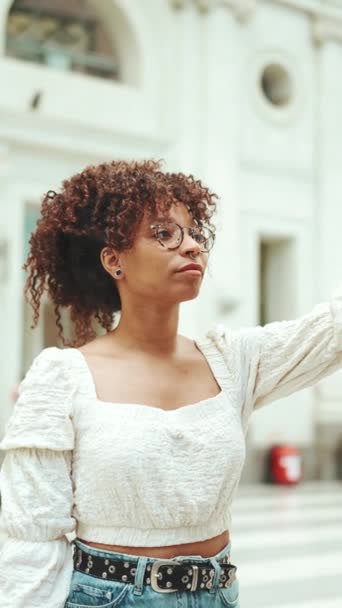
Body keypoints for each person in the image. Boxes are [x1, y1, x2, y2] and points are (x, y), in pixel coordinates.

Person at [0, 159, 341, 608]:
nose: (192, 247)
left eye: (194, 233)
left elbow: (332, 330)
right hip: (109, 597)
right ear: (113, 260)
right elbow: (31, 539)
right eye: (165, 234)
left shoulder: (232, 361)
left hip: (219, 594)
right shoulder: (62, 378)